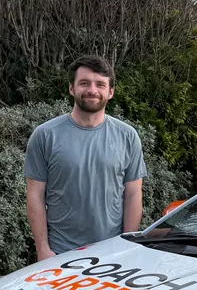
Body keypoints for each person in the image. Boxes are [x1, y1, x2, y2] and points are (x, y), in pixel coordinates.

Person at [24, 55, 147, 260]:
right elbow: (35, 195)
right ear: (71, 88)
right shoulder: (45, 135)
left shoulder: (127, 136)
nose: (92, 90)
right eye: (84, 83)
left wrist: (127, 247)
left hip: (112, 253)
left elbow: (133, 194)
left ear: (111, 92)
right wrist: (43, 249)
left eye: (100, 84)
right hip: (60, 252)